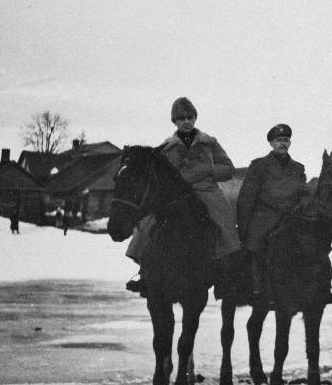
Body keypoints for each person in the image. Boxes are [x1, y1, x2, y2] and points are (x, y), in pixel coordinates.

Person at [126, 97, 241, 292]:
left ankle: (225, 273)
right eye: (181, 119)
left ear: (195, 118)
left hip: (206, 191)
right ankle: (145, 271)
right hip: (176, 195)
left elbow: (229, 169)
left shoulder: (210, 143)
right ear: (174, 122)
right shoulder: (166, 146)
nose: (186, 121)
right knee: (147, 223)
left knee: (225, 220)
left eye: (190, 117)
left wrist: (208, 169)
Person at [236, 124, 308, 304]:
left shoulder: (298, 168)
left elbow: (302, 196)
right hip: (265, 218)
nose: (283, 144)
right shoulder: (259, 165)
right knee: (257, 248)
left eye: (285, 140)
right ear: (271, 143)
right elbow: (246, 199)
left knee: (309, 248)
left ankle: (306, 290)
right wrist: (244, 230)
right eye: (278, 140)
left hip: (290, 219)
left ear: (290, 142)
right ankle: (258, 290)